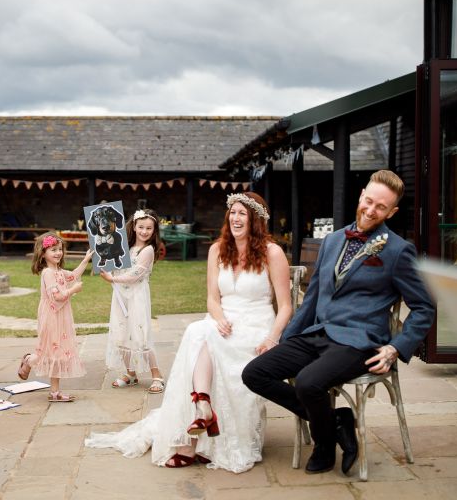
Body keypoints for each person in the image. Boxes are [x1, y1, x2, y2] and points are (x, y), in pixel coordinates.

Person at [242, 170, 435, 476]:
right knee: (255, 373)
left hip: (360, 342)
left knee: (308, 382)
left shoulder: (398, 251)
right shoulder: (332, 240)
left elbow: (425, 307)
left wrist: (395, 348)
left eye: (381, 207)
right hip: (317, 334)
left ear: (392, 212)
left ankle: (323, 446)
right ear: (361, 195)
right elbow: (314, 297)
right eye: (369, 201)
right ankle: (338, 422)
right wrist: (286, 339)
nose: (371, 210)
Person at [86, 192, 292, 473]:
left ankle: (196, 435)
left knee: (202, 337)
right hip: (224, 320)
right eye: (232, 212)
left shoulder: (272, 252)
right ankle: (202, 409)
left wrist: (272, 338)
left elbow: (285, 306)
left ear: (255, 219)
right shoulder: (218, 249)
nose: (235, 218)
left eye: (242, 213)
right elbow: (212, 299)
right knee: (198, 331)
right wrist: (218, 318)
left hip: (257, 326)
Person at [17, 232, 93, 402]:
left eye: (60, 249)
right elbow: (57, 297)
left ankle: (54, 392)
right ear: (43, 253)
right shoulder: (47, 273)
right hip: (51, 316)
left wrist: (85, 259)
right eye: (53, 249)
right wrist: (73, 290)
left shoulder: (58, 271)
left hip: (61, 316)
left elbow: (73, 276)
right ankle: (29, 360)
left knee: (57, 353)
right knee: (49, 351)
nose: (58, 253)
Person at [99, 208, 165, 394]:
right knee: (120, 332)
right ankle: (131, 373)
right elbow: (115, 265)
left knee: (140, 334)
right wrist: (105, 265)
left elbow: (135, 275)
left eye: (149, 228)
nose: (144, 231)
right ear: (134, 226)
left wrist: (113, 279)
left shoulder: (148, 250)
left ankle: (157, 375)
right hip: (120, 295)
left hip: (137, 296)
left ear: (154, 231)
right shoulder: (124, 247)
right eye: (141, 227)